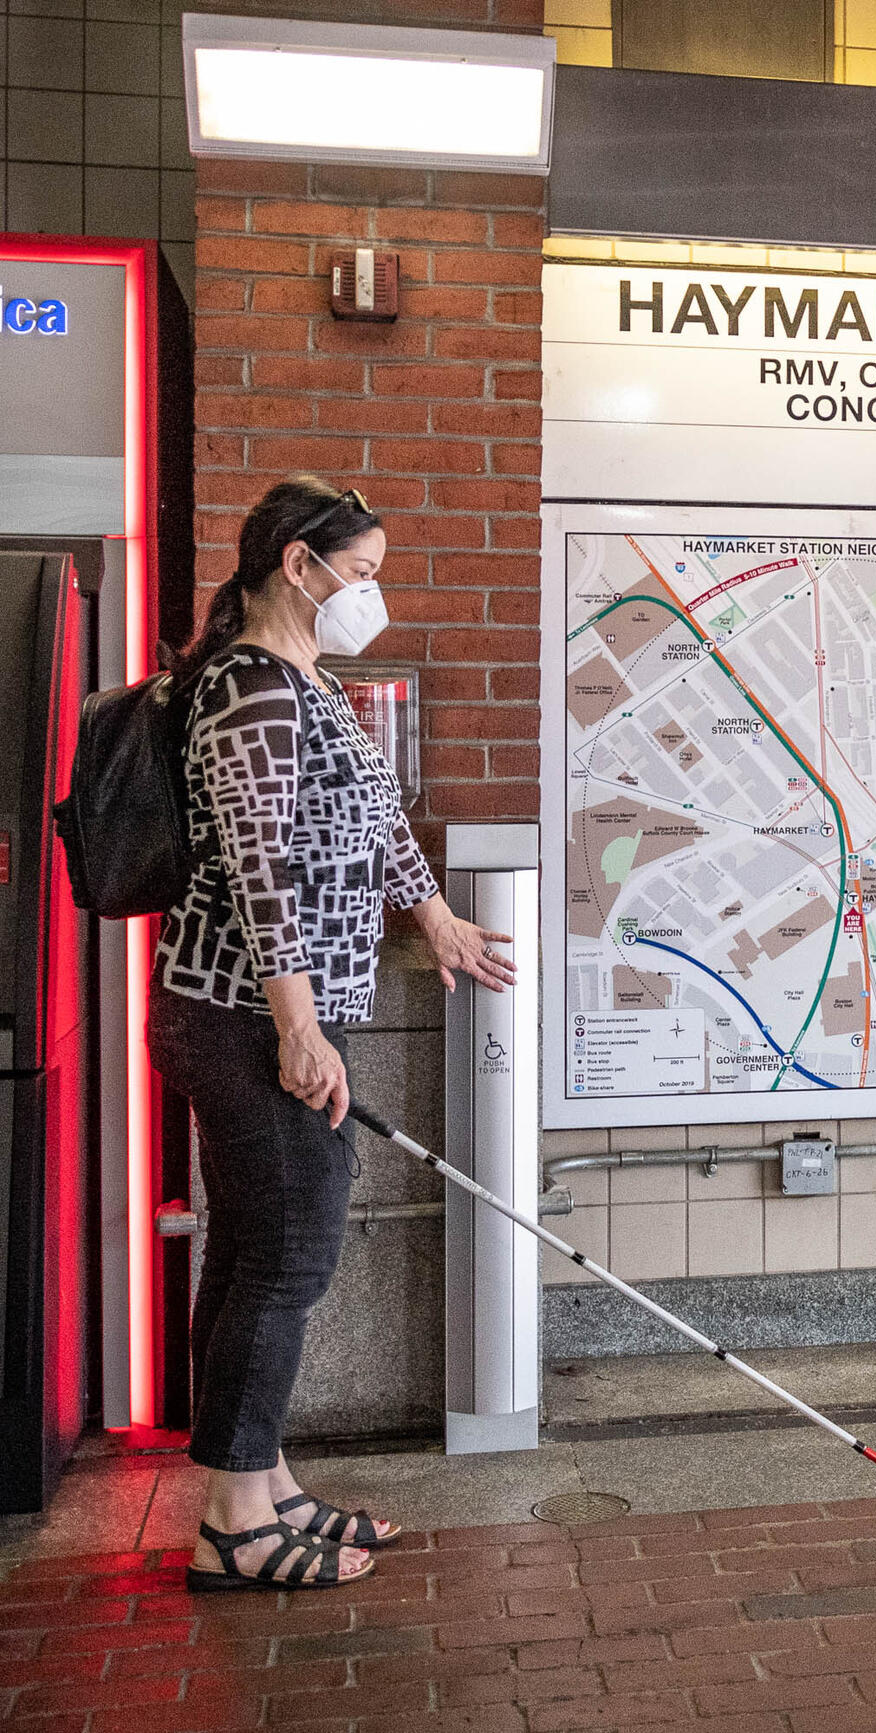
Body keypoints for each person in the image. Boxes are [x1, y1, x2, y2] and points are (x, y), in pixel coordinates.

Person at [154, 477, 515, 1591]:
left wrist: (436, 914)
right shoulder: (251, 691)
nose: (372, 593)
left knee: (266, 1248)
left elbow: (371, 820)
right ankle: (232, 1523)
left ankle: (261, 1481)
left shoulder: (305, 678)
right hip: (243, 1015)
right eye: (360, 573)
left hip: (265, 1017)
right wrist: (298, 1028)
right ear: (298, 566)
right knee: (289, 1251)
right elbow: (263, 867)